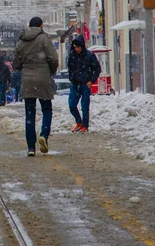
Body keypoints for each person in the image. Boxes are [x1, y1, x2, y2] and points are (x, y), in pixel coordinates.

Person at [12, 17, 59, 156]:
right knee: (47, 110)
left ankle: (31, 147)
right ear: (41, 25)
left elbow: (16, 64)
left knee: (29, 114)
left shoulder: (21, 41)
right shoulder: (44, 39)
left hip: (27, 80)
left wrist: (25, 66)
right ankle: (44, 134)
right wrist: (50, 71)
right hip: (43, 78)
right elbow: (54, 58)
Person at [67, 34, 101, 133]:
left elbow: (97, 69)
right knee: (72, 105)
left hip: (85, 84)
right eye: (75, 47)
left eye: (78, 47)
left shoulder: (89, 56)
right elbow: (70, 67)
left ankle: (85, 125)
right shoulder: (72, 56)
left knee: (85, 106)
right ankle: (79, 121)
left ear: (82, 46)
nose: (76, 49)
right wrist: (72, 78)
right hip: (75, 84)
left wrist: (91, 81)